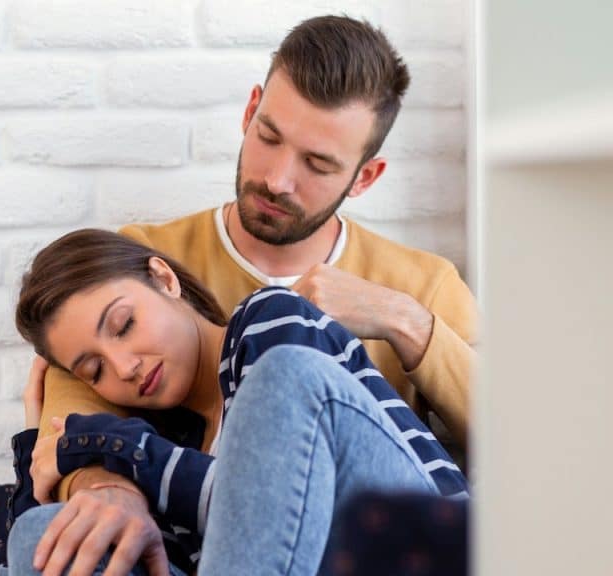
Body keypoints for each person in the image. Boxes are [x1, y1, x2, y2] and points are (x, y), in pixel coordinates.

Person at [24, 13, 477, 574]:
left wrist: (406, 321)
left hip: (371, 534)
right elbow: (68, 413)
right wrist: (111, 487)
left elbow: (536, 441)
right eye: (268, 137)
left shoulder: (421, 283)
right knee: (39, 533)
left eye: (317, 163)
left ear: (364, 177)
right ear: (249, 110)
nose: (277, 179)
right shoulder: (146, 255)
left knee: (287, 372)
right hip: (220, 533)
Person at [7, 229, 467, 575]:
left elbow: (285, 507)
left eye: (124, 325)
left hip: (408, 546)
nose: (124, 366)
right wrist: (36, 445)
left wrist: (115, 444)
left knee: (286, 374)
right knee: (48, 535)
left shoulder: (267, 322)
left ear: (164, 279)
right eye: (95, 370)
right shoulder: (169, 448)